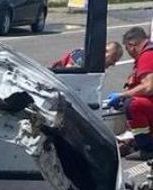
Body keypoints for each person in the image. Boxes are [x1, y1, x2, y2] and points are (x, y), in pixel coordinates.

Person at [107, 27, 153, 158]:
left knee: (133, 104)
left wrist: (123, 95)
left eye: (127, 50)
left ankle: (147, 147)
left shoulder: (147, 56)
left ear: (132, 45)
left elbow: (149, 87)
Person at [51, 41, 121, 71]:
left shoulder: (96, 61)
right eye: (113, 59)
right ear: (105, 51)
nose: (113, 64)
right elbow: (69, 72)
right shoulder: (84, 56)